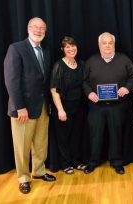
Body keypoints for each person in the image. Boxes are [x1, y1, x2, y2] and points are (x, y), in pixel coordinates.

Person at [4, 17, 56, 194]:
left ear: (45, 31)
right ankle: (23, 178)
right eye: (35, 27)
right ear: (28, 28)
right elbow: (12, 80)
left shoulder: (45, 50)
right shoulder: (16, 48)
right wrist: (19, 107)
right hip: (23, 108)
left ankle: (39, 171)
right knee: (22, 145)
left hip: (42, 105)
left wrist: (48, 103)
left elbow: (45, 81)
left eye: (42, 28)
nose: (39, 30)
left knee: (41, 142)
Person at [83, 32, 133, 175]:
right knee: (95, 135)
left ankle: (117, 162)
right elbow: (84, 81)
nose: (107, 45)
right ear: (99, 45)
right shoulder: (91, 61)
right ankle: (93, 162)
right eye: (104, 43)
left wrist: (127, 88)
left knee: (116, 135)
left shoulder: (124, 59)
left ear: (114, 44)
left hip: (117, 106)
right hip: (96, 106)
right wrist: (89, 93)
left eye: (110, 43)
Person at [50, 36, 87, 174]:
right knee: (63, 137)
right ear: (62, 49)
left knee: (76, 135)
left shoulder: (81, 64)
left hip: (79, 107)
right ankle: (65, 164)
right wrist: (60, 110)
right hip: (63, 108)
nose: (71, 49)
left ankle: (76, 161)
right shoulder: (59, 66)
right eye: (67, 47)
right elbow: (54, 90)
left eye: (73, 46)